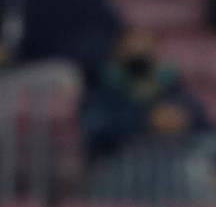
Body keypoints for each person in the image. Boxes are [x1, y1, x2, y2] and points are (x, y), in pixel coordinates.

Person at [79, 28, 208, 159]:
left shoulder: (170, 86)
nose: (139, 56)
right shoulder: (104, 89)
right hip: (121, 170)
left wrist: (183, 116)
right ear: (117, 53)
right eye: (132, 51)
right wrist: (146, 120)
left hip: (171, 169)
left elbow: (199, 116)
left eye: (145, 51)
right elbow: (94, 127)